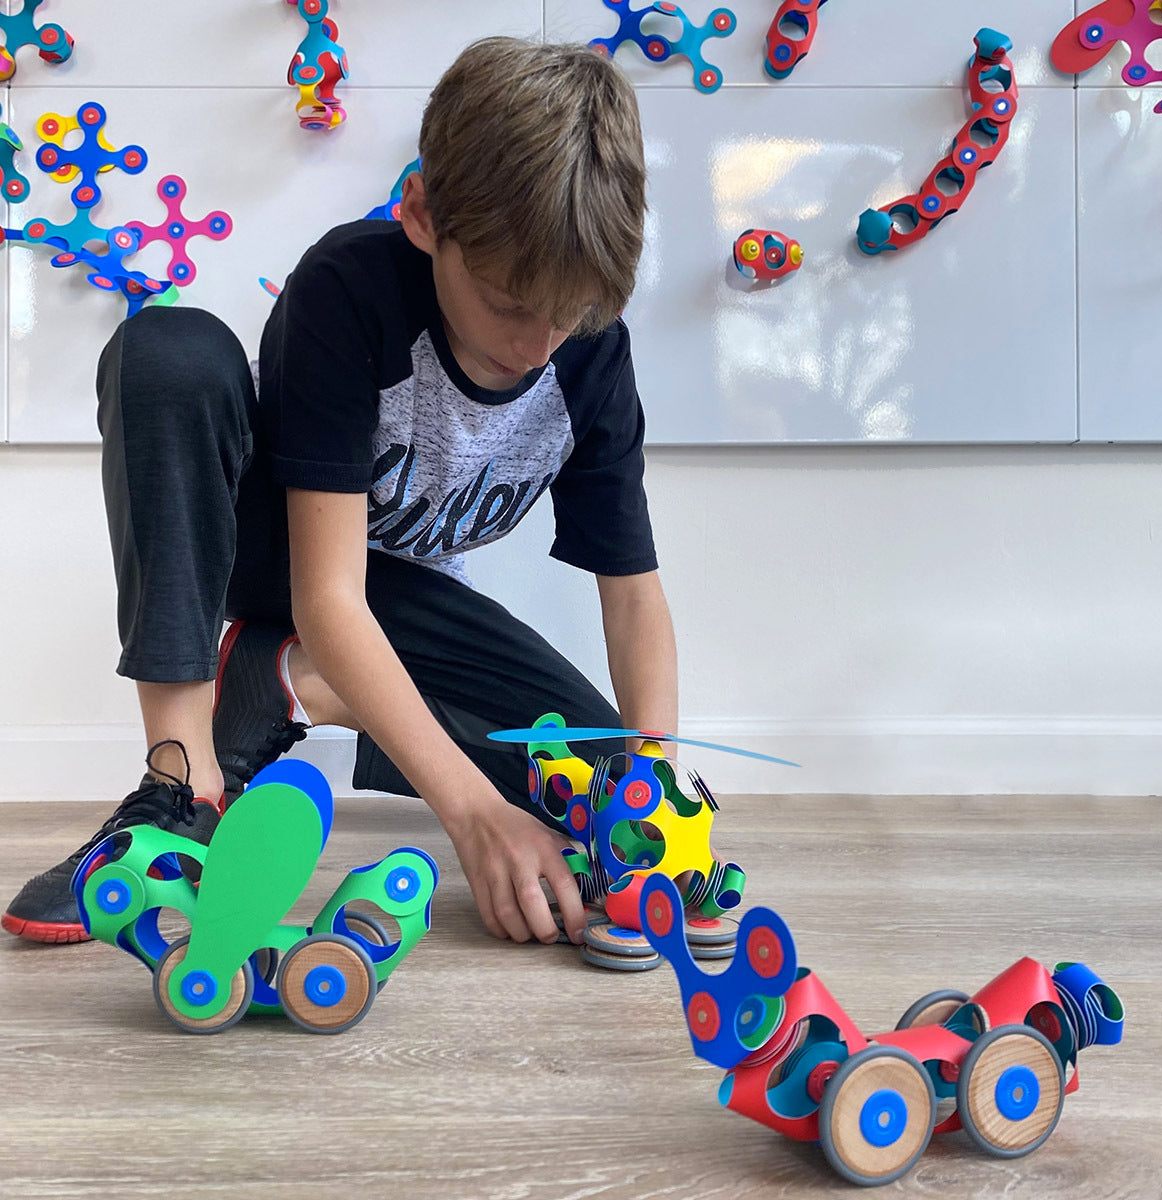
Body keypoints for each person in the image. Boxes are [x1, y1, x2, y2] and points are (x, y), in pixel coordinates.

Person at [2, 37, 677, 949]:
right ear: (425, 215)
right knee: (171, 351)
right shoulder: (349, 290)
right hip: (281, 556)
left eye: (574, 314)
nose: (539, 344)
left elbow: (633, 597)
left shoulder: (589, 353)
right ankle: (184, 786)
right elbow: (328, 594)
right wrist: (473, 817)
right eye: (513, 304)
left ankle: (289, 686)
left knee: (598, 785)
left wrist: (659, 803)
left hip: (396, 603)